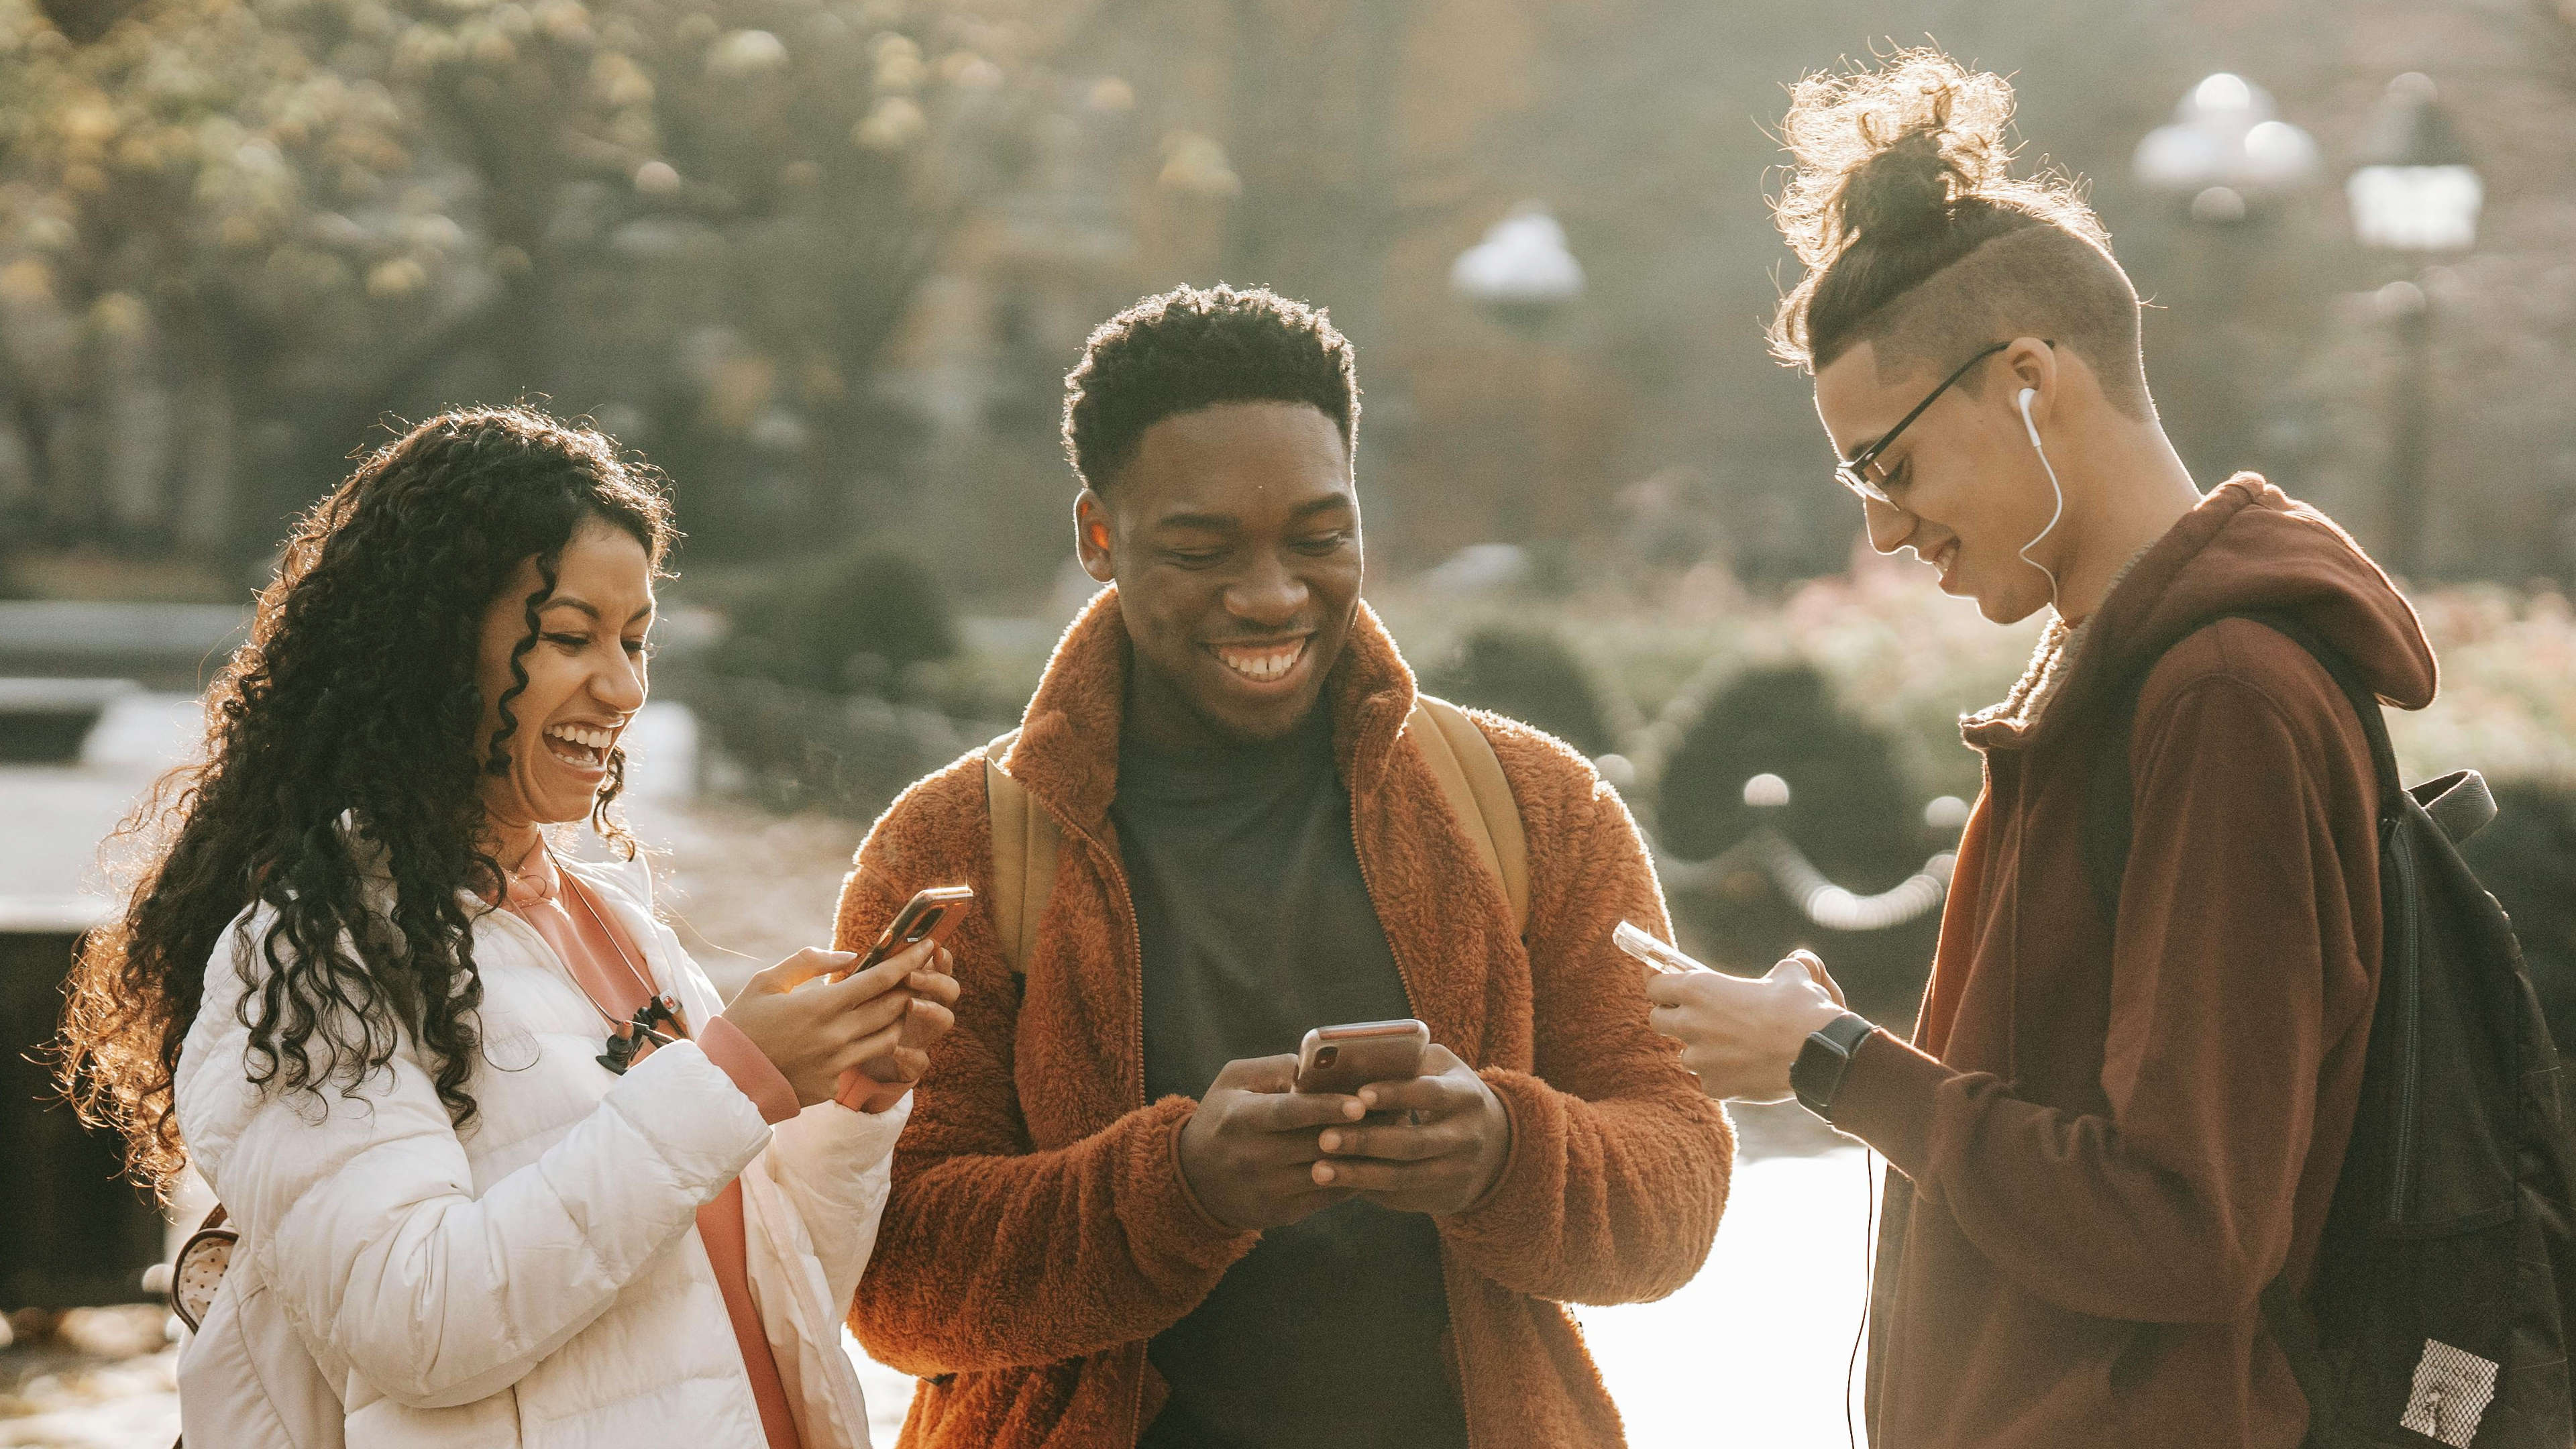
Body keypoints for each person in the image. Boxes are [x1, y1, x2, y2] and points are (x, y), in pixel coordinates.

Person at [1644, 50, 2438, 1449]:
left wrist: (1831, 1059)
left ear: (2028, 380)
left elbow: (2187, 1227)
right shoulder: (2121, 674)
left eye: (1887, 465)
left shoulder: (2221, 697)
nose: (1883, 527)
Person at [840, 284, 1729, 1448]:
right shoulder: (952, 848)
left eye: (1320, 538)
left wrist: (1506, 1155)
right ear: (1097, 537)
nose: (1270, 596)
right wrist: (1175, 1191)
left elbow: (1681, 1180)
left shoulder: (1532, 805)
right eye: (1201, 549)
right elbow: (890, 1275)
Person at [57, 405, 959, 1448]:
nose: (621, 688)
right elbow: (417, 1326)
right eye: (571, 637)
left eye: (635, 640)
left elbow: (772, 1308)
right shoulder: (308, 958)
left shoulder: (625, 934)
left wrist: (849, 1102)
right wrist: (729, 1079)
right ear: (435, 651)